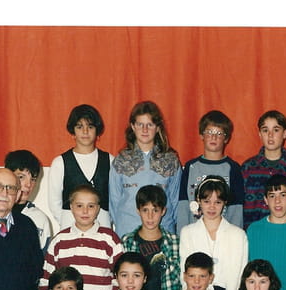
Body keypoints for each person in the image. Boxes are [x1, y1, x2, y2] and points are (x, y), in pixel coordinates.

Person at [38, 185, 123, 290]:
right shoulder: (59, 240)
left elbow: (121, 278)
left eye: (91, 206)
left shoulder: (110, 239)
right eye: (79, 206)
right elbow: (46, 280)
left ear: (98, 209)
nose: (85, 211)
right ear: (71, 207)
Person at [109, 100, 182, 236]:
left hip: (163, 232)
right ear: (133, 126)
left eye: (150, 125)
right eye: (140, 124)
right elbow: (114, 201)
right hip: (128, 232)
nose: (144, 130)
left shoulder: (171, 161)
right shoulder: (121, 161)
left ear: (158, 127)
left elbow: (176, 201)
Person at [179, 175, 248, 290]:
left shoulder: (238, 235)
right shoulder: (188, 233)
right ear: (198, 201)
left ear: (224, 202)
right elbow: (185, 274)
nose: (212, 207)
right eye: (207, 201)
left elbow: (240, 276)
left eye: (217, 202)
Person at [176, 110, 244, 231]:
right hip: (194, 234)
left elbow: (236, 210)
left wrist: (234, 236)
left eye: (219, 133)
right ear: (201, 135)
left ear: (226, 138)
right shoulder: (191, 167)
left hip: (223, 235)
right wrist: (182, 236)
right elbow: (183, 206)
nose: (213, 137)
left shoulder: (233, 168)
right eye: (209, 132)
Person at [47, 104, 112, 230]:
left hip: (102, 227)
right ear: (73, 131)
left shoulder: (110, 160)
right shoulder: (60, 162)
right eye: (79, 126)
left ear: (97, 130)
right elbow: (54, 202)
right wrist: (69, 224)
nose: (85, 131)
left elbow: (114, 199)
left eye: (90, 127)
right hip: (70, 227)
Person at [120, 184, 181, 290]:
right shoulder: (127, 242)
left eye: (155, 210)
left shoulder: (175, 242)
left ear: (163, 211)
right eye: (145, 210)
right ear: (138, 211)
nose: (150, 216)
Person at [241, 109, 286, 229]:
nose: (270, 135)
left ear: (285, 133)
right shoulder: (247, 168)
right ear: (259, 134)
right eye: (265, 130)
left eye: (276, 130)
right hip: (253, 234)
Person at [4, 149, 53, 249]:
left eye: (33, 179)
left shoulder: (40, 219)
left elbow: (44, 256)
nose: (28, 184)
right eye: (21, 177)